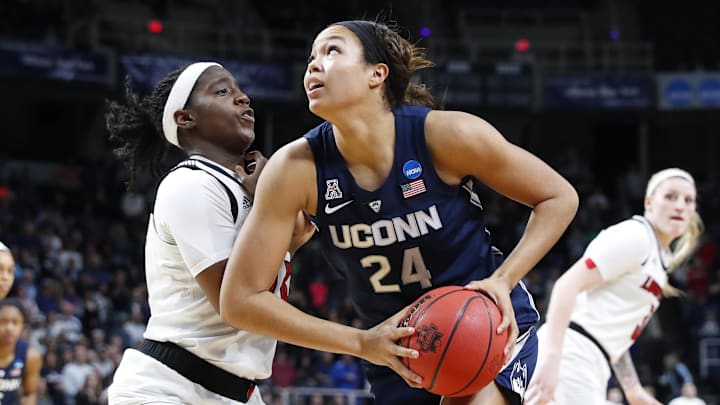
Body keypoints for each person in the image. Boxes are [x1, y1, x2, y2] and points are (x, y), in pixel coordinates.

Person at [219, 20, 578, 405]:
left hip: (480, 323)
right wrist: (360, 341)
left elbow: (558, 197)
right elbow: (239, 299)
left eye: (332, 51)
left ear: (377, 74)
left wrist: (503, 281)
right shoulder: (294, 169)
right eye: (310, 57)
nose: (313, 65)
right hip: (394, 352)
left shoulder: (447, 136)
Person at [105, 61, 312, 404]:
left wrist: (275, 206)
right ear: (186, 118)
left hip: (236, 391)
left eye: (240, 91)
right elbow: (236, 305)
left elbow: (285, 249)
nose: (243, 98)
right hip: (169, 388)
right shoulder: (190, 183)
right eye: (223, 91)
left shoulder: (245, 187)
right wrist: (358, 343)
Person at [525, 168, 703, 405]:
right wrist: (551, 358)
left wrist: (632, 388)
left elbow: (611, 332)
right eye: (670, 197)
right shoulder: (636, 235)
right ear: (649, 203)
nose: (680, 205)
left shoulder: (660, 259)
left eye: (688, 200)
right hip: (571, 352)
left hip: (592, 359)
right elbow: (566, 284)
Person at [0, 298, 43, 404]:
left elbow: (29, 394)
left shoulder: (31, 356)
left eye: (15, 322)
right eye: (3, 322)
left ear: (22, 325)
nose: (9, 328)